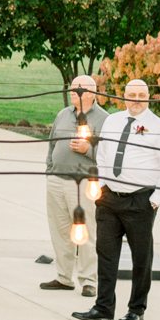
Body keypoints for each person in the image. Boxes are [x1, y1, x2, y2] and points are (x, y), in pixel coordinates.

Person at [74, 80, 160, 320]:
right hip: (109, 198)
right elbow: (103, 154)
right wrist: (100, 188)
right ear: (124, 97)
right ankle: (103, 307)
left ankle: (136, 308)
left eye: (141, 95)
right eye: (131, 95)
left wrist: (155, 200)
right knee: (106, 254)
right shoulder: (113, 121)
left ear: (149, 97)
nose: (136, 99)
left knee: (141, 257)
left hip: (140, 200)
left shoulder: (159, 127)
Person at [44, 76, 106, 297]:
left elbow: (107, 155)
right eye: (71, 88)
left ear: (91, 93)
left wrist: (87, 149)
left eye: (77, 89)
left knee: (86, 232)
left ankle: (89, 280)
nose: (72, 92)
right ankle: (63, 277)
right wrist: (49, 169)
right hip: (56, 180)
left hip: (82, 184)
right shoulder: (63, 114)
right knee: (60, 231)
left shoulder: (103, 119)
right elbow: (52, 144)